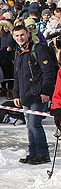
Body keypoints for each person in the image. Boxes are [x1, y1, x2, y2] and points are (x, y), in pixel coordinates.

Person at [13, 21, 56, 165]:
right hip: (25, 95)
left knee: (35, 124)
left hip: (38, 94)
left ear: (28, 34)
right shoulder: (18, 52)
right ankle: (33, 153)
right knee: (29, 126)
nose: (20, 38)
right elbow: (17, 76)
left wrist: (46, 91)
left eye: (22, 35)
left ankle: (43, 154)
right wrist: (16, 95)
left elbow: (48, 72)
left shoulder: (37, 49)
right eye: (17, 36)